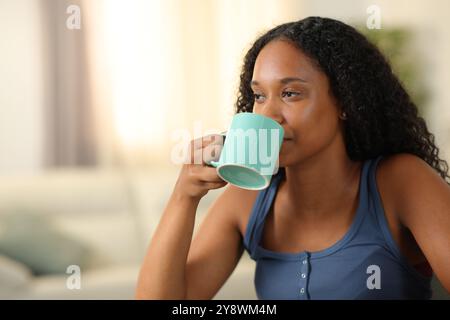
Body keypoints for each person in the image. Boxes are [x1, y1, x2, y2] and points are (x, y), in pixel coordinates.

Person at [136, 17, 450, 299]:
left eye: (290, 93)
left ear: (345, 102)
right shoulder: (247, 200)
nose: (269, 114)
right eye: (259, 96)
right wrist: (184, 196)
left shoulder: (401, 182)